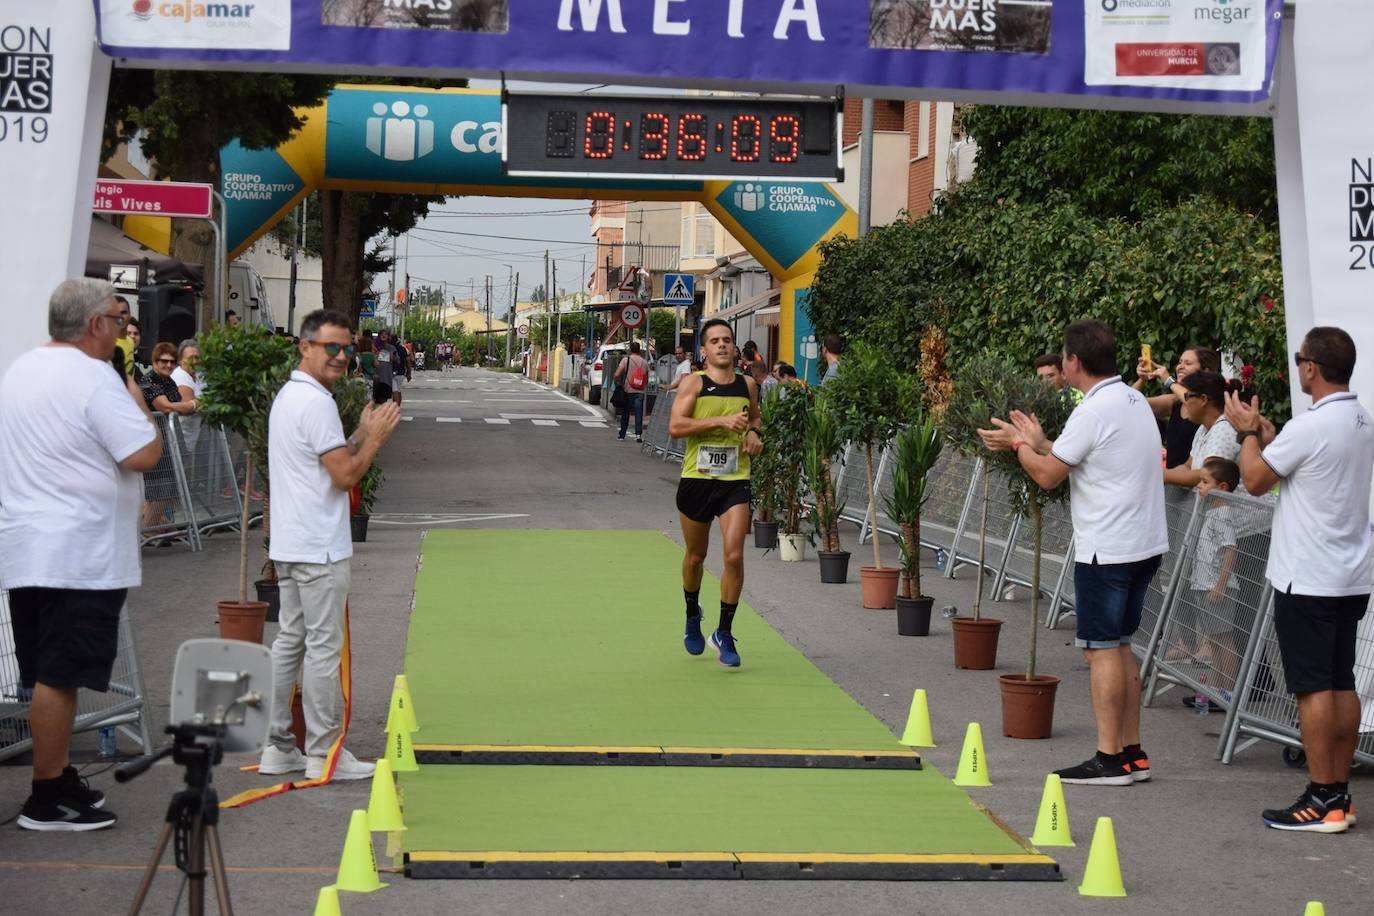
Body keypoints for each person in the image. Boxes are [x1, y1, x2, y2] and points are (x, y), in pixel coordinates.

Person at [0, 278, 163, 830]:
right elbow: (144, 452)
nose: (122, 332)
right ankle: (46, 796)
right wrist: (137, 401)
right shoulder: (93, 377)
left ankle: (57, 773)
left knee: (50, 671)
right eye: (118, 321)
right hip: (76, 550)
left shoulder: (22, 368)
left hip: (32, 546)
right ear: (95, 325)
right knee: (59, 675)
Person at [979, 319, 1167, 786]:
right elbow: (1074, 455)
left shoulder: (1092, 410)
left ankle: (1109, 759)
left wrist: (1021, 444)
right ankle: (1131, 754)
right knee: (1120, 647)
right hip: (1143, 543)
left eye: (1062, 357)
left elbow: (1046, 475)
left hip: (1108, 547)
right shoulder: (1132, 401)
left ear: (1073, 362)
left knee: (1101, 651)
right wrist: (1037, 442)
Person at [1225, 326, 1372, 833]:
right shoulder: (1358, 417)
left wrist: (1246, 433)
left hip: (1308, 575)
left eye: (1299, 359)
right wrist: (1268, 437)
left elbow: (1255, 479)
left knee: (1312, 689)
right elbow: (1302, 465)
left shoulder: (1311, 426)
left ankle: (1321, 797)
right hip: (1349, 573)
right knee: (1340, 681)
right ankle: (1338, 794)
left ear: (1311, 367)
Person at [259, 310, 402, 782]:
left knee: (290, 642)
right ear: (305, 347)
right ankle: (325, 751)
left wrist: (360, 433)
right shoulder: (315, 402)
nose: (341, 357)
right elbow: (343, 475)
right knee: (321, 648)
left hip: (292, 541)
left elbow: (327, 457)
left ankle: (279, 745)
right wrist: (375, 440)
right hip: (318, 545)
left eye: (346, 348)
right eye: (331, 348)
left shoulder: (291, 396)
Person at [668, 319, 763, 669]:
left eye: (727, 340)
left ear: (734, 348)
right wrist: (720, 422)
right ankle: (693, 614)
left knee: (734, 555)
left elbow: (754, 419)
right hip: (697, 479)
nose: (722, 345)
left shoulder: (748, 384)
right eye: (715, 341)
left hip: (734, 480)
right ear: (704, 350)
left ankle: (724, 631)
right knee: (695, 557)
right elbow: (676, 427)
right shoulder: (694, 383)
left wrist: (754, 435)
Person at [1173, 457, 1250, 701]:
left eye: (1205, 482)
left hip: (1217, 586)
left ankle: (1229, 689)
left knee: (1223, 638)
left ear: (1223, 487)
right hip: (1203, 583)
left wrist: (1220, 586)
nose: (1200, 486)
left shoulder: (1222, 513)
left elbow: (1230, 549)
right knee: (1215, 639)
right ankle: (1216, 687)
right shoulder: (1212, 510)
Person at [1134, 347, 1221, 470]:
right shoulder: (1174, 401)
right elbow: (1130, 403)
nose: (1180, 366)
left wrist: (1168, 381)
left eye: (1188, 363)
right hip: (1174, 477)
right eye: (1180, 362)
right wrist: (1142, 379)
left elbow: (1190, 400)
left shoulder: (1209, 402)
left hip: (1198, 480)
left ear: (1205, 372)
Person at [1163, 371, 1242, 492]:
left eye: (1187, 396)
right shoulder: (1203, 428)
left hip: (1232, 509)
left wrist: (1161, 475)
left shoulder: (1224, 429)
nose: (1185, 402)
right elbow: (1188, 466)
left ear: (1203, 399)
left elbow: (1207, 476)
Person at [613, 341, 650, 442]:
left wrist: (618, 383)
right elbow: (646, 378)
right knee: (638, 413)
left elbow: (617, 374)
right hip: (640, 392)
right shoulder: (645, 362)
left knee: (625, 413)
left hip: (627, 390)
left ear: (630, 349)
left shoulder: (626, 360)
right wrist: (642, 386)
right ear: (639, 350)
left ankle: (622, 435)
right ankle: (638, 435)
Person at [372, 329, 395, 405]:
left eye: (386, 334)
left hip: (386, 378)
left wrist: (393, 357)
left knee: (383, 401)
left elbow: (398, 361)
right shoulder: (374, 347)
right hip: (375, 377)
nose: (384, 335)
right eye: (382, 334)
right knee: (374, 400)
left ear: (388, 337)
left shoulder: (392, 348)